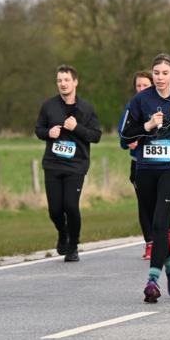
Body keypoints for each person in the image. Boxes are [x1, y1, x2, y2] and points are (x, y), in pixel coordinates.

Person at [120, 53, 170, 303]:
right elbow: (124, 135)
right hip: (145, 168)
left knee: (160, 222)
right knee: (157, 225)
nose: (160, 78)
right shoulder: (140, 101)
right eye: (156, 73)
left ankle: (152, 281)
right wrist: (146, 126)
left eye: (165, 73)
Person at [35, 64, 102, 262]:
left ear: (75, 82)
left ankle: (73, 246)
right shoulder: (49, 106)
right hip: (53, 164)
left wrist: (76, 127)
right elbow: (38, 129)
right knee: (55, 210)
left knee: (70, 206)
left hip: (76, 165)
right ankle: (63, 233)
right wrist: (48, 133)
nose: (63, 84)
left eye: (66, 80)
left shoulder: (86, 109)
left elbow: (96, 136)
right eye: (59, 80)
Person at [120, 71, 170, 261]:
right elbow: (123, 136)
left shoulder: (167, 104)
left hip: (163, 165)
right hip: (139, 165)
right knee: (144, 205)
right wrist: (129, 143)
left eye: (145, 85)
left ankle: (167, 231)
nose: (141, 89)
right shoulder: (132, 107)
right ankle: (150, 244)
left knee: (162, 203)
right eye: (138, 86)